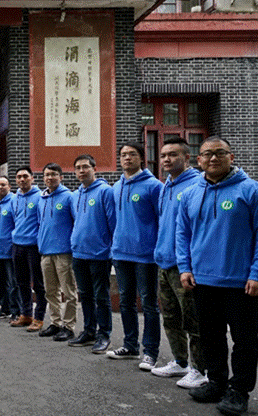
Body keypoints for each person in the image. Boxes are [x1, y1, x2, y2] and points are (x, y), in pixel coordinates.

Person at [177, 136, 258, 416]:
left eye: (220, 153)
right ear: (199, 160)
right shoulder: (191, 194)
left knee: (244, 341)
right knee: (211, 337)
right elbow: (182, 233)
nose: (213, 158)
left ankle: (239, 391)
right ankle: (217, 382)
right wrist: (185, 267)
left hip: (242, 283)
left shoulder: (253, 191)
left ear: (231, 157)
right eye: (207, 154)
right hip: (203, 281)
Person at [149, 139, 207, 389]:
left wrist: (188, 264)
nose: (166, 159)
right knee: (171, 317)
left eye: (173, 155)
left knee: (193, 320)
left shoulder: (197, 184)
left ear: (187, 157)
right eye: (163, 155)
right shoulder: (166, 185)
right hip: (164, 263)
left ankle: (200, 369)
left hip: (185, 267)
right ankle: (180, 361)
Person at [106, 142, 163, 372]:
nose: (127, 158)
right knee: (125, 301)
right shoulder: (116, 186)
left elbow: (161, 220)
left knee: (149, 304)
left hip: (145, 255)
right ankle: (130, 346)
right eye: (123, 155)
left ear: (142, 158)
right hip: (121, 253)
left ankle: (150, 352)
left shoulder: (154, 186)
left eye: (132, 154)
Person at [67, 154, 115, 353]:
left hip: (100, 254)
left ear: (94, 168)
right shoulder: (75, 195)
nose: (81, 171)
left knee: (101, 297)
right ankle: (89, 331)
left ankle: (104, 334)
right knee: (85, 295)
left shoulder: (105, 191)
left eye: (85, 167)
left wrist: (109, 248)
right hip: (79, 253)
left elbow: (113, 223)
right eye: (78, 167)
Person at [37, 163, 77, 342]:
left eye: (53, 174)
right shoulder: (41, 199)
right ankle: (55, 323)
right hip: (46, 251)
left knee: (68, 292)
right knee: (50, 291)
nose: (50, 178)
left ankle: (69, 326)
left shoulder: (69, 197)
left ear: (61, 177)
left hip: (63, 252)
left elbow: (76, 222)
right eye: (47, 175)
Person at [10, 166, 46, 330]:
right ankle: (26, 314)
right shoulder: (14, 198)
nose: (22, 179)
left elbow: (42, 221)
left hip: (33, 246)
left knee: (38, 284)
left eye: (25, 176)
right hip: (17, 245)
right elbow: (14, 220)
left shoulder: (40, 197)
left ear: (32, 178)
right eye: (19, 177)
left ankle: (39, 317)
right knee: (21, 282)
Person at [0, 176, 19, 320]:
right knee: (0, 282)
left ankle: (16, 310)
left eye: (3, 185)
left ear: (9, 186)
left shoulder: (14, 201)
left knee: (13, 282)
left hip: (9, 249)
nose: (0, 187)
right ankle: (4, 308)